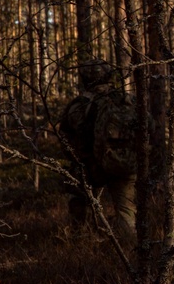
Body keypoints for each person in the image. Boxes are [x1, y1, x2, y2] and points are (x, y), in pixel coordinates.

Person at [58, 58, 137, 240]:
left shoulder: (79, 105)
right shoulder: (128, 101)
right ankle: (131, 251)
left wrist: (80, 159)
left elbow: (66, 137)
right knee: (126, 212)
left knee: (77, 195)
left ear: (84, 79)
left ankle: (82, 238)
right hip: (125, 164)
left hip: (92, 167)